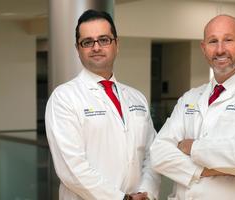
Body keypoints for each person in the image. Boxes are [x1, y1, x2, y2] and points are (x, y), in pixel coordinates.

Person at [150, 14, 235, 200]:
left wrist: (191, 147)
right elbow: (159, 153)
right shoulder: (189, 98)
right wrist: (206, 170)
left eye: (228, 40)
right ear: (203, 48)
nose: (220, 49)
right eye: (213, 41)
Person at [45, 10, 160, 200]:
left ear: (116, 44)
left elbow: (151, 153)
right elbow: (72, 168)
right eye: (87, 42)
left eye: (104, 39)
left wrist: (146, 192)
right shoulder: (64, 98)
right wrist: (121, 198)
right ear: (78, 49)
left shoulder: (136, 97)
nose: (96, 47)